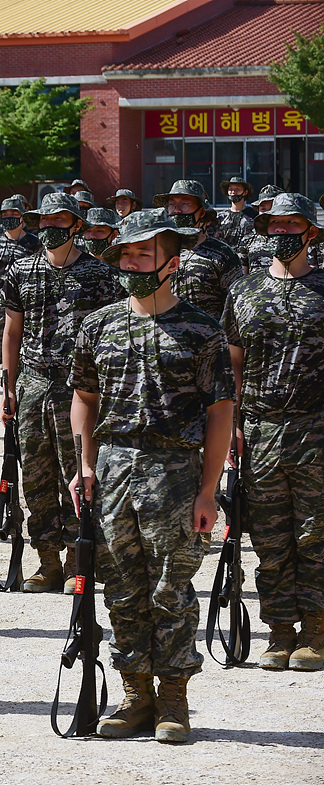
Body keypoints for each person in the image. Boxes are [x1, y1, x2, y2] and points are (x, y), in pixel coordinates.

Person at [70, 209, 233, 743]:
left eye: (144, 253)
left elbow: (219, 413)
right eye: (127, 253)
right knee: (120, 587)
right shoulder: (99, 324)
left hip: (178, 474)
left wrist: (209, 489)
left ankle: (173, 702)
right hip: (114, 471)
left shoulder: (202, 330)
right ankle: (135, 695)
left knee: (172, 589)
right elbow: (84, 399)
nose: (132, 261)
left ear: (172, 262)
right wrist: (85, 462)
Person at [221, 192, 324, 672]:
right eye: (275, 226)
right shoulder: (243, 291)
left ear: (312, 232)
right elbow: (232, 364)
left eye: (292, 226)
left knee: (316, 534)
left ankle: (316, 630)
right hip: (259, 431)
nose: (282, 233)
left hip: (316, 430)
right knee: (268, 536)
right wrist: (234, 425)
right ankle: (279, 630)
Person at [5, 193, 122, 593]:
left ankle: (79, 559)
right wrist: (8, 384)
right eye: (45, 221)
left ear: (76, 226)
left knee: (78, 474)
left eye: (60, 222)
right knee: (36, 478)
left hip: (78, 388)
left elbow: (112, 334)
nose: (51, 229)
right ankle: (47, 561)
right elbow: (11, 331)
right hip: (33, 384)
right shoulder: (20, 269)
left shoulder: (99, 274)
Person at [155, 180, 244, 321]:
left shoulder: (222, 254)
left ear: (201, 211)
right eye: (172, 204)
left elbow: (236, 306)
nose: (177, 210)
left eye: (185, 204)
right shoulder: (157, 252)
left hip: (208, 339)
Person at [0, 196, 41, 365]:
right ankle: (5, 375)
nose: (9, 217)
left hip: (25, 296)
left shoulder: (34, 243)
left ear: (22, 215)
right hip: (0, 296)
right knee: (0, 340)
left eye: (14, 213)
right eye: (5, 214)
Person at [217, 177, 257, 251]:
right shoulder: (221, 217)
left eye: (237, 189)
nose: (233, 192)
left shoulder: (254, 216)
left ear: (245, 192)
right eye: (230, 189)